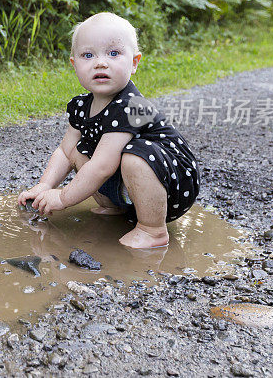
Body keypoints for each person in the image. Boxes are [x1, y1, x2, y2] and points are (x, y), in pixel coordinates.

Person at [17, 12, 199, 249]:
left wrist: (63, 198)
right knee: (78, 150)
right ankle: (114, 205)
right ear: (74, 64)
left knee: (133, 155)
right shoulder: (81, 105)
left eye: (114, 53)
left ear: (134, 63)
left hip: (172, 184)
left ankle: (152, 230)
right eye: (88, 55)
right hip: (131, 185)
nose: (100, 62)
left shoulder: (135, 105)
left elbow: (103, 166)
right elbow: (64, 151)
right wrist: (45, 186)